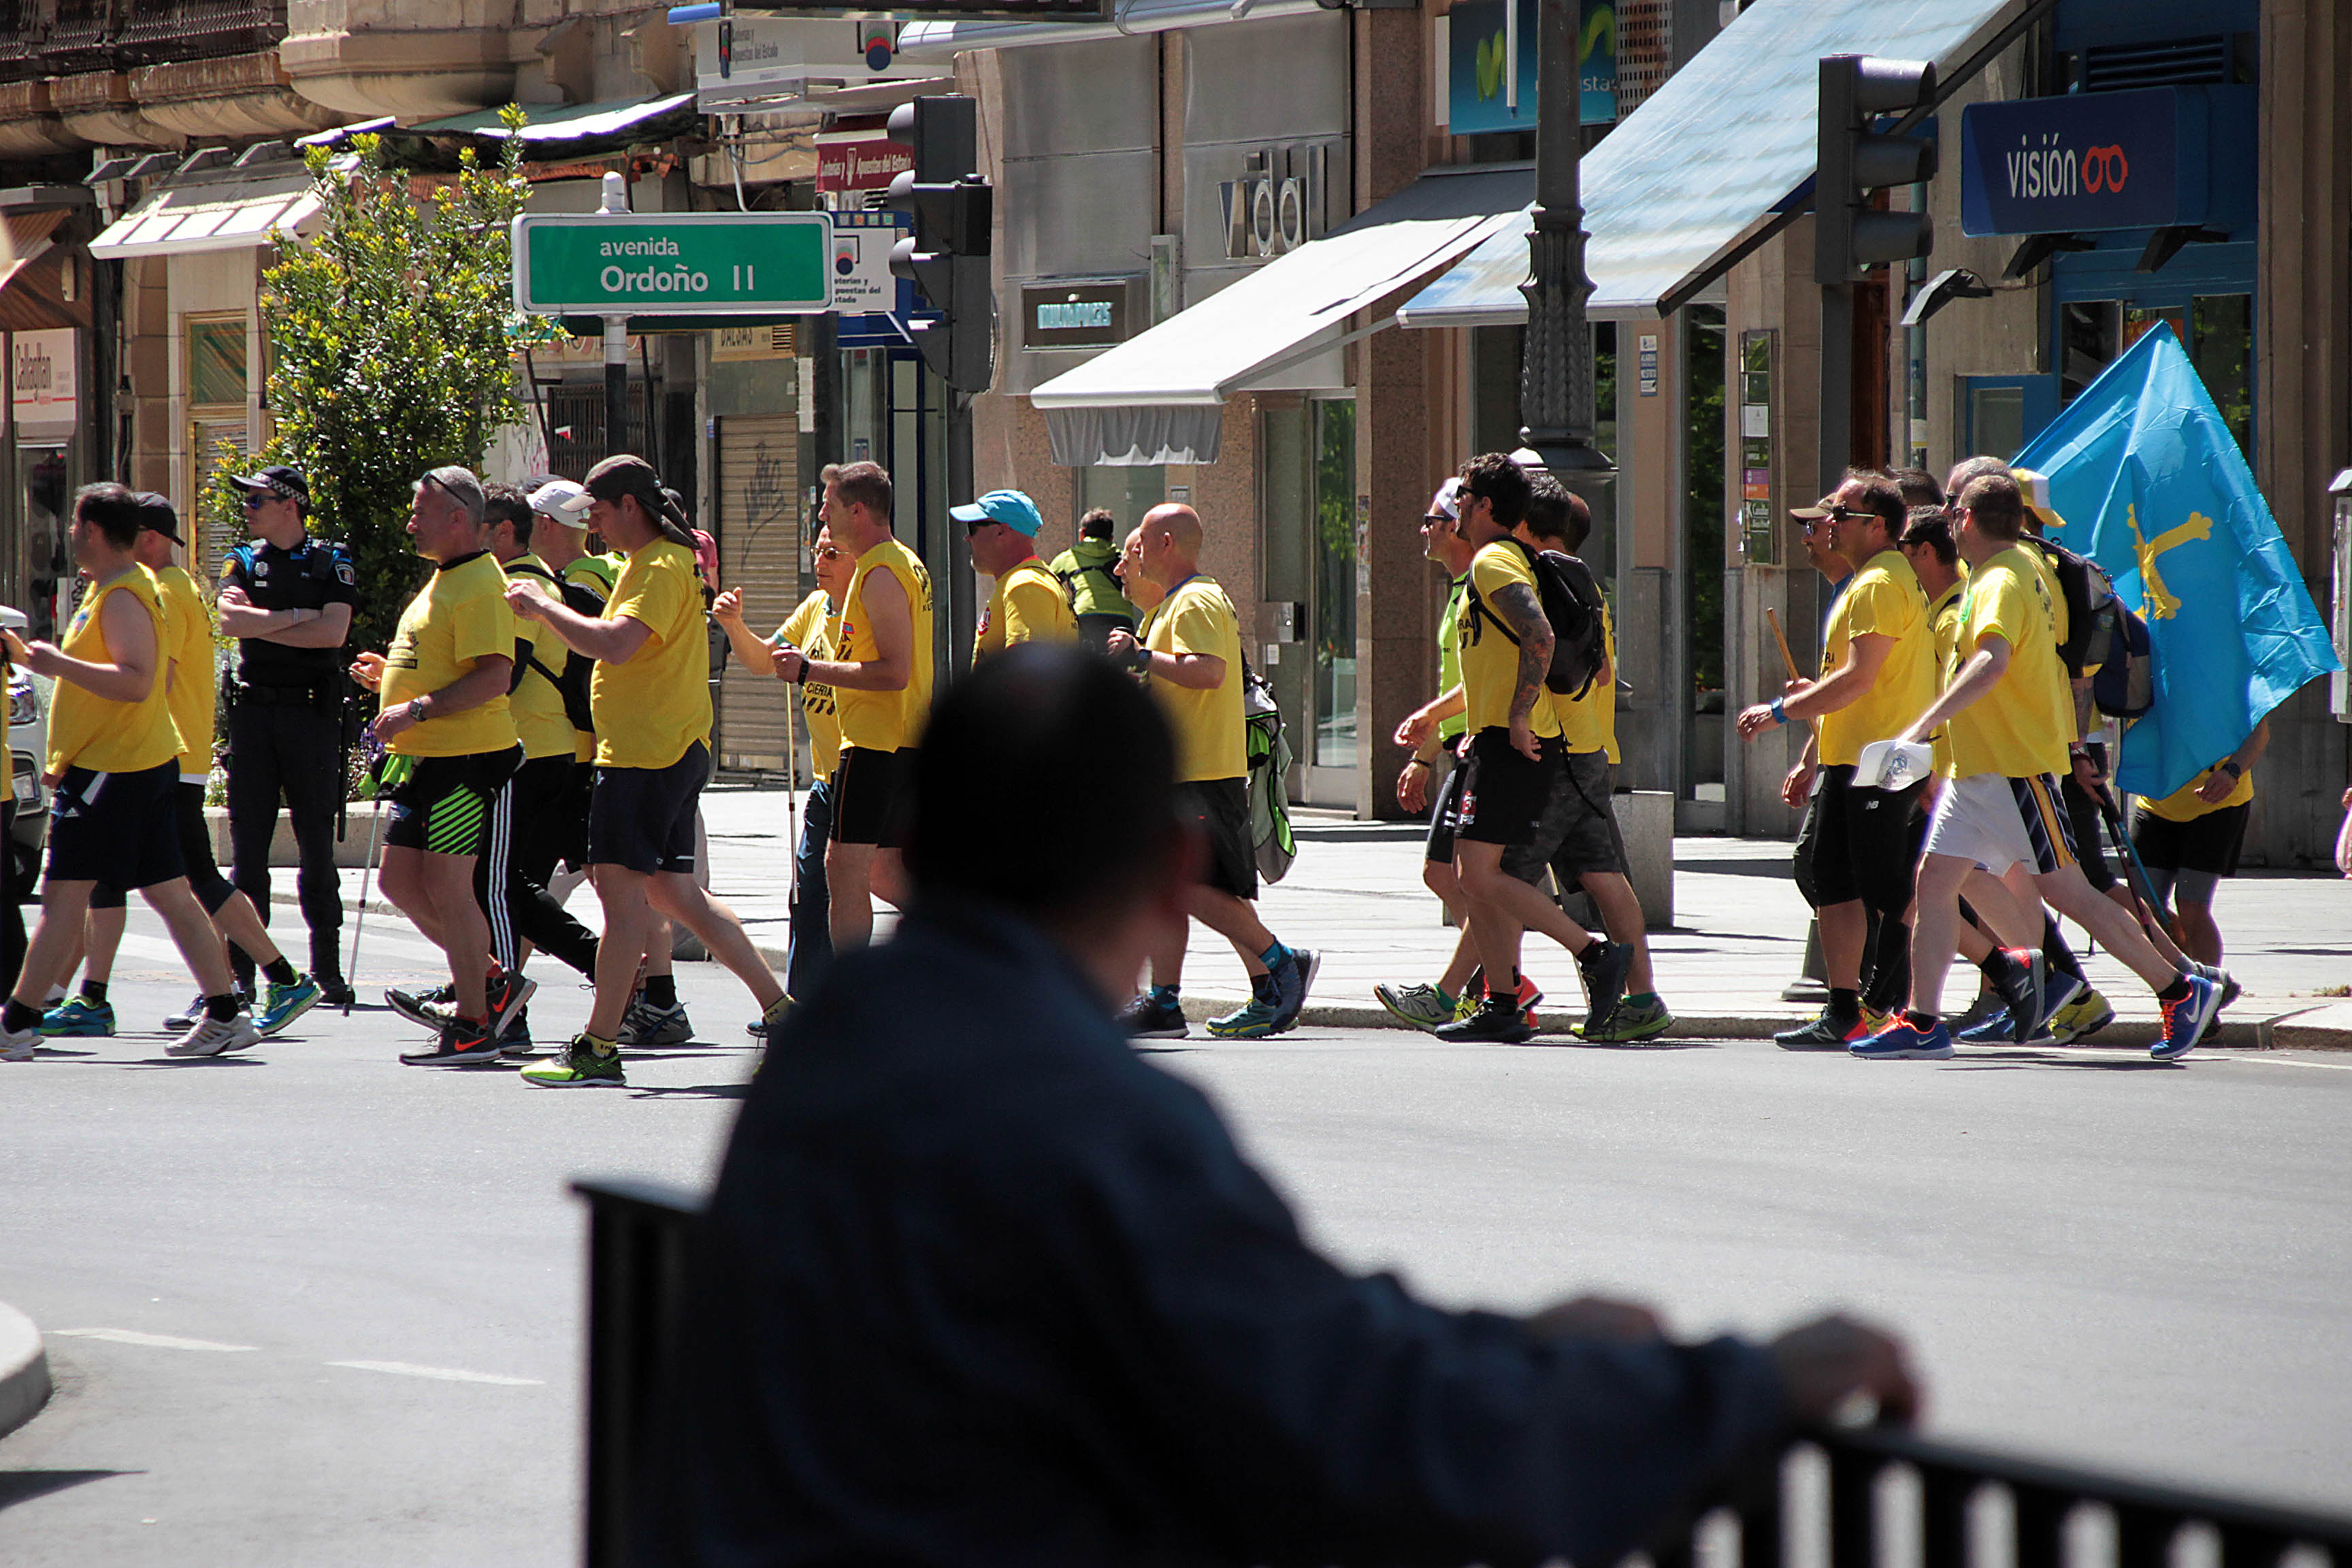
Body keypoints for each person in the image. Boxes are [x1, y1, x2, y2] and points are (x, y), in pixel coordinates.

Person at [641, 639, 1922, 1567]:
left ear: (918, 852)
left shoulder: (846, 1044)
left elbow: (1261, 1354)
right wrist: (1736, 1385)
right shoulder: (1069, 1104)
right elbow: (1357, 1415)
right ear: (1168, 873)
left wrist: (1531, 1344)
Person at [1864, 472, 2224, 1062]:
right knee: (1933, 884)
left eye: (1955, 511)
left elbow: (1993, 660)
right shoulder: (2002, 572)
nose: (1950, 519)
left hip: (2014, 770)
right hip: (1982, 772)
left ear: (1969, 520)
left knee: (2073, 895)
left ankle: (2181, 989)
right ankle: (1924, 1022)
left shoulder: (2003, 578)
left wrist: (1922, 725)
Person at [505, 455, 786, 1088]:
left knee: (621, 898)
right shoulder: (656, 563)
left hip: (645, 756)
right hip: (663, 749)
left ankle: (599, 1047)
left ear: (630, 507)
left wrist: (542, 607)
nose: (594, 528)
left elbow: (616, 645)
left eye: (598, 515)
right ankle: (784, 1011)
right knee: (676, 895)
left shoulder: (659, 566)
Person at [39, 493, 323, 1042]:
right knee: (126, 881)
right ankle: (91, 996)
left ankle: (277, 978)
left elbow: (153, 679)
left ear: (146, 538)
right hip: (159, 757)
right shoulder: (161, 587)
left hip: (161, 758)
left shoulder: (156, 592)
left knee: (187, 880)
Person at [1, 484, 257, 1060]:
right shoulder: (112, 589)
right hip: (122, 765)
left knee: (64, 896)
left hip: (115, 769)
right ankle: (224, 1012)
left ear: (92, 530)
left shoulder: (122, 595)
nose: (68, 533)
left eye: (74, 524)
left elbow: (139, 680)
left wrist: (51, 661)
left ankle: (16, 1020)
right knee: (169, 891)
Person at [1428, 454, 1627, 1045]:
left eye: (1462, 495)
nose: (1454, 505)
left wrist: (1515, 716)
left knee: (1481, 876)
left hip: (1514, 740)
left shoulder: (1494, 560)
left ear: (1486, 505)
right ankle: (1504, 1002)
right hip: (1495, 736)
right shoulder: (1502, 560)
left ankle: (1592, 954)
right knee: (1471, 875)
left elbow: (1539, 633)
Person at [1737, 472, 1936, 1046]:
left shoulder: (1880, 581)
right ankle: (1844, 1007)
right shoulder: (1864, 581)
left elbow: (1859, 678)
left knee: (1889, 886)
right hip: (1852, 756)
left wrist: (1780, 709)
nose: (1829, 523)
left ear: (1878, 526)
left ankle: (1939, 991)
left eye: (1842, 514)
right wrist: (1811, 750)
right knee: (1833, 880)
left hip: (1882, 756)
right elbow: (1845, 683)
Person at [1107, 504, 1316, 1040]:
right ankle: (1166, 1002)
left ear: (1167, 543)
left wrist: (1143, 658)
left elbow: (1209, 672)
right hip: (1181, 772)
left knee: (1191, 887)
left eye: (1141, 545)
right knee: (1172, 890)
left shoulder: (1196, 598)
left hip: (1200, 773)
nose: (1133, 556)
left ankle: (1280, 962)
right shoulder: (1173, 605)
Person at [347, 468, 529, 1066]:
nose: (410, 520)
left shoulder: (479, 583)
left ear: (458, 519)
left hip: (465, 760)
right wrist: (391, 679)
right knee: (399, 882)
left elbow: (495, 674)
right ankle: (491, 981)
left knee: (451, 890)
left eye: (421, 510)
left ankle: (475, 1023)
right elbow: (442, 659)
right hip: (424, 760)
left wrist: (417, 707)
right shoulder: (445, 579)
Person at [1511, 474, 1673, 1043]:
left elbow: (1551, 658)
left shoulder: (1543, 579)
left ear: (1526, 527)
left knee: (1494, 877)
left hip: (1560, 750)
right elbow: (1603, 670)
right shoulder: (1586, 584)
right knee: (1604, 877)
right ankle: (1639, 997)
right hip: (1590, 748)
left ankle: (1490, 994)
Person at [774, 461, 931, 954]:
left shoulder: (880, 572)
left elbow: (893, 672)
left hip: (876, 742)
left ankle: (851, 1002)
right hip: (897, 740)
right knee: (885, 870)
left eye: (830, 505)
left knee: (842, 869)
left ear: (858, 510)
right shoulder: (897, 561)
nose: (821, 513)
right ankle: (967, 939)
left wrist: (808, 670)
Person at [216, 463, 357, 1006]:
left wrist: (271, 618)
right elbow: (231, 623)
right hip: (253, 718)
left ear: (288, 504)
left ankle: (327, 971)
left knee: (316, 849)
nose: (246, 510)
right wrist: (299, 615)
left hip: (310, 718)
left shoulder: (331, 559)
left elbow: (334, 632)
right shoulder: (243, 560)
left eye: (256, 501)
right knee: (247, 854)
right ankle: (246, 976)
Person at [713, 523, 855, 1005]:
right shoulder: (815, 607)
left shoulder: (874, 606)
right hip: (826, 781)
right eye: (817, 552)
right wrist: (735, 626)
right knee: (808, 895)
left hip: (873, 773)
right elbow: (764, 661)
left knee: (880, 886)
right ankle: (801, 1009)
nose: (821, 562)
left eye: (833, 553)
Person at [1375, 478, 1484, 1030]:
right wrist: (1427, 751)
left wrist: (1428, 728)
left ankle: (1481, 984)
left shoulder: (1480, 588)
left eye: (1431, 521)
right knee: (1442, 873)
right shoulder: (1460, 590)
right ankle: (1496, 976)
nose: (1423, 530)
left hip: (1483, 747)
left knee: (1476, 879)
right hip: (1463, 746)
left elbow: (1480, 679)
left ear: (1456, 528)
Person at [2132, 718, 2270, 966]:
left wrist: (2233, 770)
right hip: (2157, 802)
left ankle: (2211, 983)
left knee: (2192, 906)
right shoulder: (2146, 677)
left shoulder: (2229, 677)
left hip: (2218, 800)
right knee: (2143, 907)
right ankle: (2183, 980)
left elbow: (2259, 732)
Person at [961, 489, 1077, 660]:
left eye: (972, 528)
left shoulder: (1025, 585)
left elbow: (1027, 676)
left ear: (1001, 531)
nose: (967, 538)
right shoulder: (1027, 580)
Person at [1047, 505, 1139, 651]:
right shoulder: (1121, 558)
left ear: (1082, 534)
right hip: (1122, 618)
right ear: (1111, 538)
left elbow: (1048, 585)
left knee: (1087, 667)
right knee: (1121, 667)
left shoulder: (1067, 558)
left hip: (1086, 616)